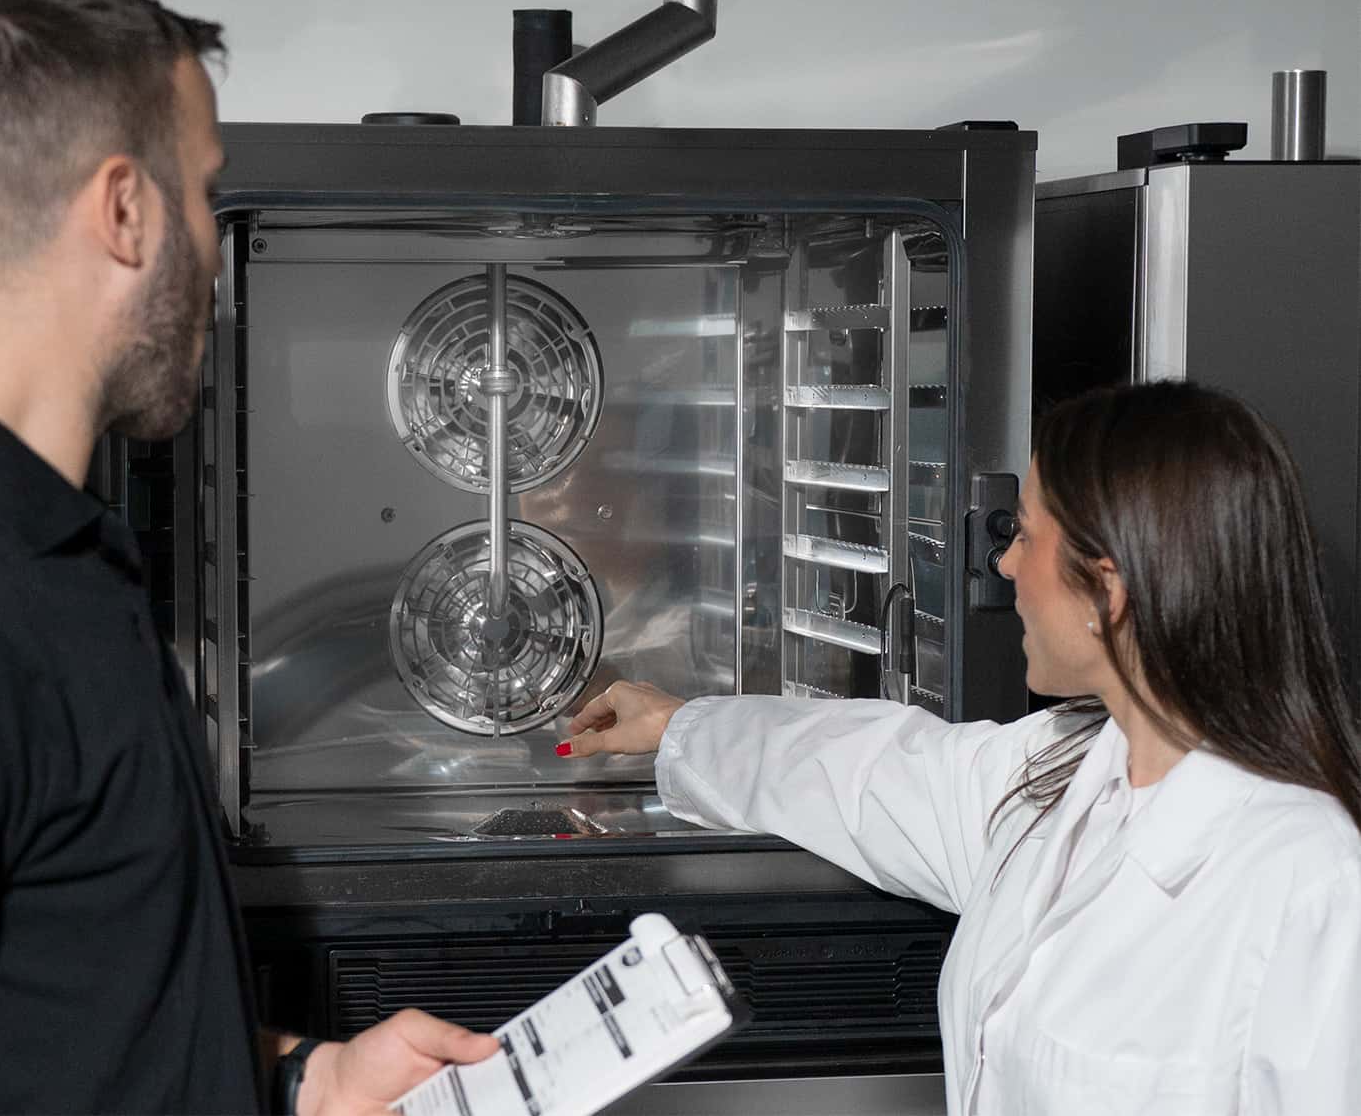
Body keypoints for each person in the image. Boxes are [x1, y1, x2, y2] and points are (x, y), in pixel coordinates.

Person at [0, 0, 496, 1115]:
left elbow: (65, 1013)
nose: (213, 251)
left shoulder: (33, 547)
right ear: (124, 211)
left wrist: (306, 1081)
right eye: (202, 195)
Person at [560, 381, 1361, 1114]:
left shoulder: (1310, 880)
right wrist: (679, 724)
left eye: (1027, 535)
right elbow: (870, 773)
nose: (1004, 561)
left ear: (1108, 591)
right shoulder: (1065, 772)